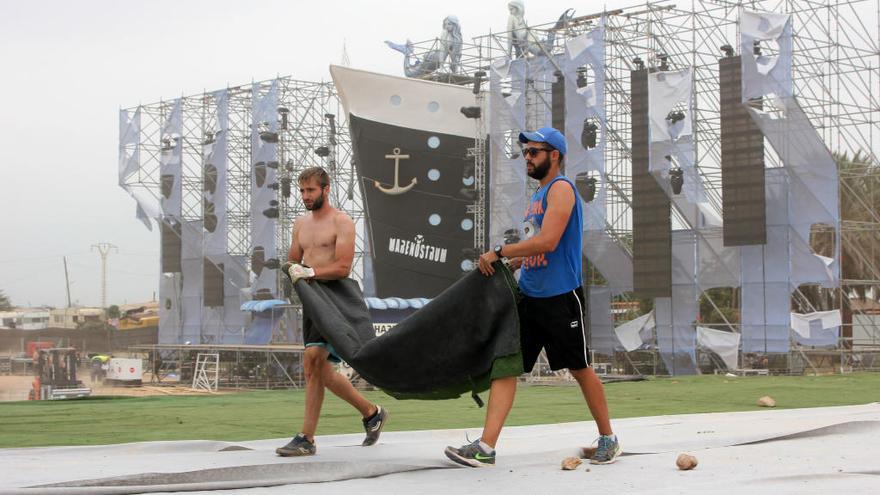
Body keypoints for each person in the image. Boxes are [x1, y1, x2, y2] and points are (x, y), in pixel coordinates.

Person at [444, 127, 621, 467]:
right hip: (530, 297)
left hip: (560, 298)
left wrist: (499, 251)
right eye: (525, 152)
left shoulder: (561, 190)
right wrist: (512, 263)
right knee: (506, 368)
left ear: (554, 155)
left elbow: (549, 241)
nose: (527, 157)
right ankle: (486, 447)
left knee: (580, 368)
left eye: (535, 152)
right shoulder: (537, 197)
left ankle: (608, 439)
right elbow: (534, 248)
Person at [276, 166, 388, 457]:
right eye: (302, 191)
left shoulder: (342, 221)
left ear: (326, 189)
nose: (305, 196)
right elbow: (293, 261)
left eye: (310, 190)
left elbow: (342, 268)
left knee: (313, 360)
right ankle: (371, 413)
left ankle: (306, 439)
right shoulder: (301, 224)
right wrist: (290, 269)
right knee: (319, 370)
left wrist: (308, 271)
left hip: (337, 298)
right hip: (314, 300)